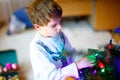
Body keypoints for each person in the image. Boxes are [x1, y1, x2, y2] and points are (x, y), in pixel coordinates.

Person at [26, 0, 96, 80]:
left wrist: (82, 59)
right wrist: (78, 65)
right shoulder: (36, 47)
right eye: (53, 25)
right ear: (38, 27)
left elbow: (70, 53)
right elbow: (50, 76)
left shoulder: (59, 34)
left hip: (67, 75)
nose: (60, 27)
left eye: (60, 22)